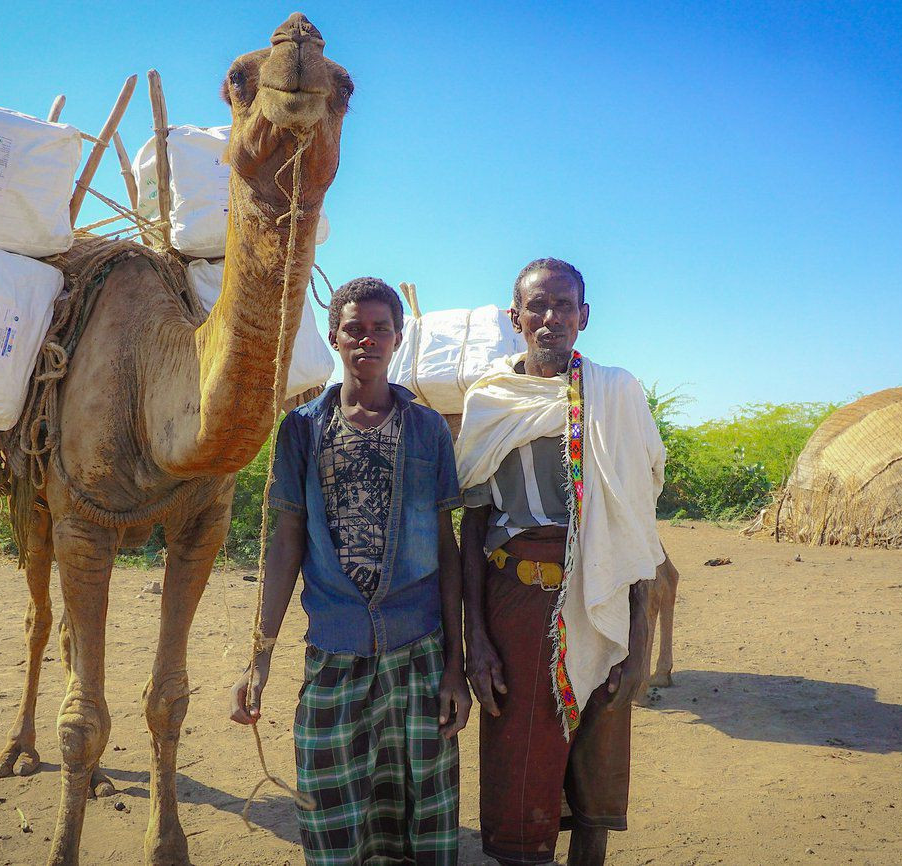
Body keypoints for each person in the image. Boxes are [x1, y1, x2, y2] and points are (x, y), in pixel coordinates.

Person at [230, 276, 471, 865]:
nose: (368, 340)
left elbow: (447, 546)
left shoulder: (427, 429)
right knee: (332, 805)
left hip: (418, 650)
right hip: (334, 647)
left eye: (380, 329)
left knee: (420, 809)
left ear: (397, 336)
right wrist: (259, 656)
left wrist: (455, 670)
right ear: (336, 337)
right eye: (354, 329)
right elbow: (285, 542)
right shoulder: (302, 431)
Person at [457, 258, 667, 866]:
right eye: (538, 307)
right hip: (516, 604)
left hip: (601, 599)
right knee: (519, 768)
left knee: (595, 770)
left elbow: (635, 527)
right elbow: (472, 524)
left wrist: (639, 638)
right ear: (514, 317)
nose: (551, 319)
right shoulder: (491, 400)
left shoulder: (617, 393)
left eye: (564, 306)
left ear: (585, 316)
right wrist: (478, 642)